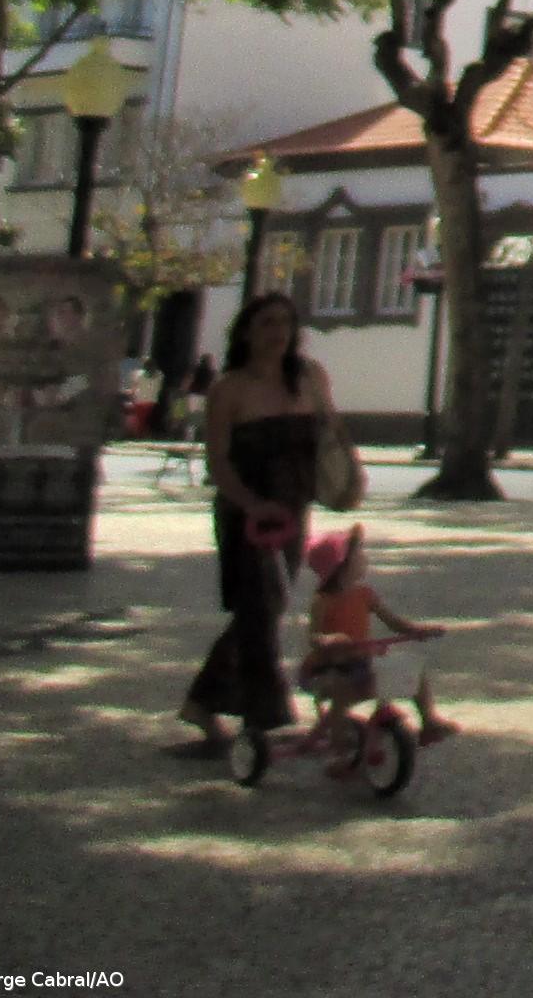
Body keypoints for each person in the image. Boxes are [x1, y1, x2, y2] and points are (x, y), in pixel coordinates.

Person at [177, 293, 337, 750]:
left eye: (285, 323)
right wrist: (250, 504)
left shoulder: (309, 378)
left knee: (266, 609)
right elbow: (218, 462)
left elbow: (332, 436)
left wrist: (346, 477)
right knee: (259, 609)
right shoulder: (229, 389)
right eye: (267, 323)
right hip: (246, 512)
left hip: (294, 508)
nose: (277, 334)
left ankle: (204, 702)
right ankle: (264, 717)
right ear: (247, 330)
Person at [299, 525, 451, 772]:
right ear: (341, 567)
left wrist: (416, 630)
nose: (364, 559)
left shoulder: (365, 594)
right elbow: (314, 637)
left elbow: (392, 621)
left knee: (412, 670)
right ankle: (339, 752)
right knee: (341, 695)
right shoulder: (323, 601)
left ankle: (429, 721)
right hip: (327, 667)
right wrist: (328, 639)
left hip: (360, 661)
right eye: (359, 554)